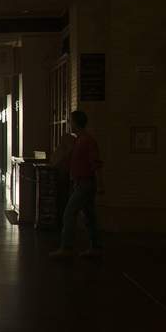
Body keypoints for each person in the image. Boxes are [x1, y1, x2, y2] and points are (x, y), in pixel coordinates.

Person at [50, 110, 103, 259]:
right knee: (89, 216)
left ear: (76, 122)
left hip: (85, 184)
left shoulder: (87, 140)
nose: (69, 124)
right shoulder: (78, 140)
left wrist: (100, 184)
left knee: (69, 214)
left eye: (70, 121)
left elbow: (96, 164)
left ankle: (66, 248)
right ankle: (96, 247)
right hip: (80, 182)